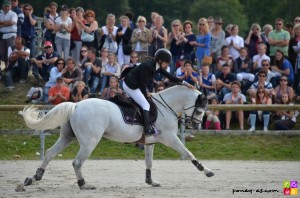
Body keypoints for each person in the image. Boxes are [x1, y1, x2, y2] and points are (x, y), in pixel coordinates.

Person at [122, 48, 194, 135]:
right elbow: (142, 83)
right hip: (130, 85)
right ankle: (147, 129)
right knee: (145, 105)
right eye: (166, 63)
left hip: (136, 84)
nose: (167, 65)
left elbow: (170, 76)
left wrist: (185, 84)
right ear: (160, 61)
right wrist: (146, 94)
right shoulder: (148, 66)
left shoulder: (156, 66)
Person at [0, 0, 18, 68]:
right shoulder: (0, 14)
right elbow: (9, 23)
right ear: (2, 7)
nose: (6, 7)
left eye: (8, 6)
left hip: (11, 35)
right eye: (5, 6)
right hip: (2, 35)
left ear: (10, 6)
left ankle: (11, 67)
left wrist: (2, 23)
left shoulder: (13, 14)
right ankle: (6, 66)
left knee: (11, 52)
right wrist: (7, 23)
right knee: (3, 52)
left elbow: (12, 22)